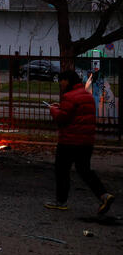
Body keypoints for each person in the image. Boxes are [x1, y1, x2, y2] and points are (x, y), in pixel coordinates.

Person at [45, 70, 115, 215]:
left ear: (68, 81)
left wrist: (53, 110)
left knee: (62, 170)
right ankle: (104, 195)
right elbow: (76, 115)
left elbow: (63, 119)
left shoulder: (69, 96)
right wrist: (61, 107)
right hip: (86, 142)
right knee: (84, 170)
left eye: (62, 81)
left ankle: (61, 201)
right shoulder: (87, 97)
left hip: (69, 142)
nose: (60, 84)